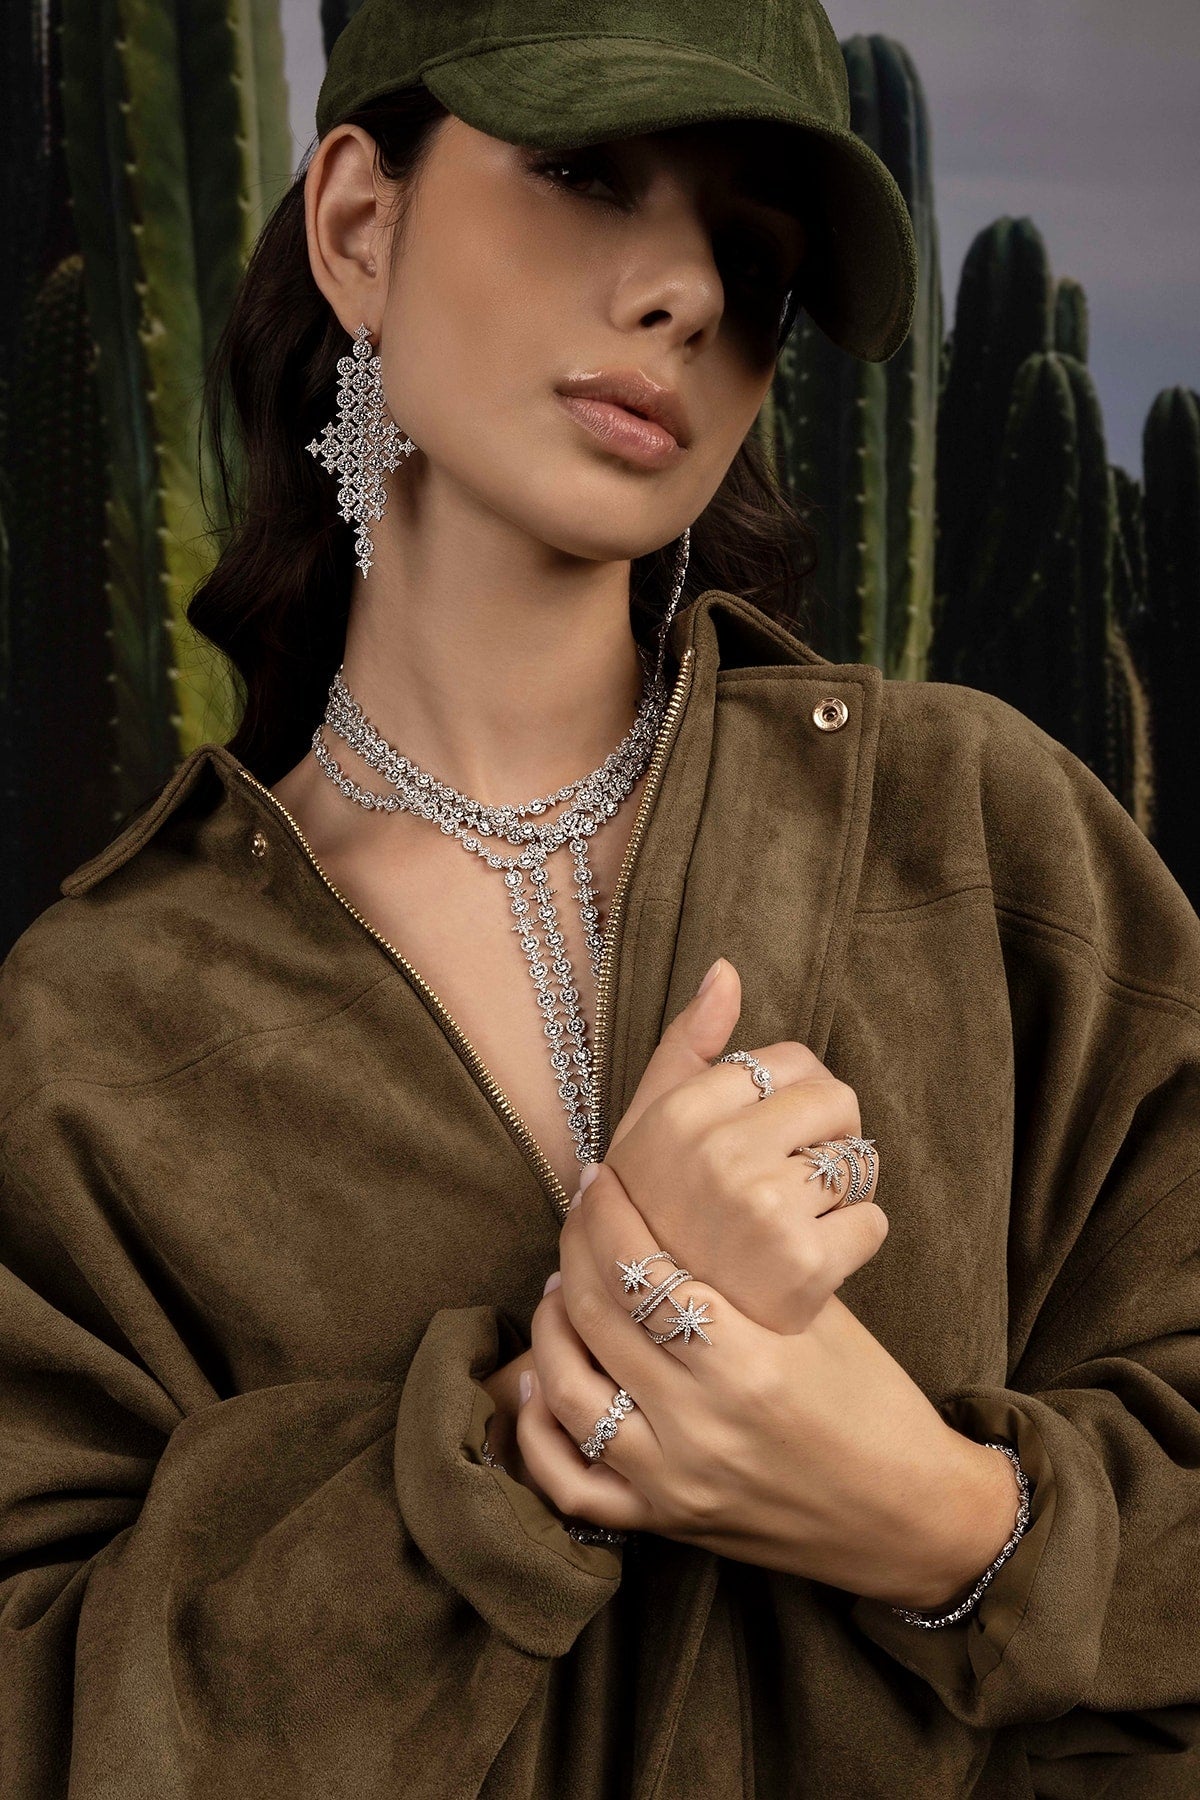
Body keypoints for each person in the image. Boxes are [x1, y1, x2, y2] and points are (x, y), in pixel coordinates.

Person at [2, 1, 1198, 1795]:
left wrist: (942, 1516)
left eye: (752, 250)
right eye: (580, 170)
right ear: (356, 226)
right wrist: (533, 1422)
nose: (686, 293)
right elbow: (54, 1723)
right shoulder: (98, 1025)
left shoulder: (978, 834)